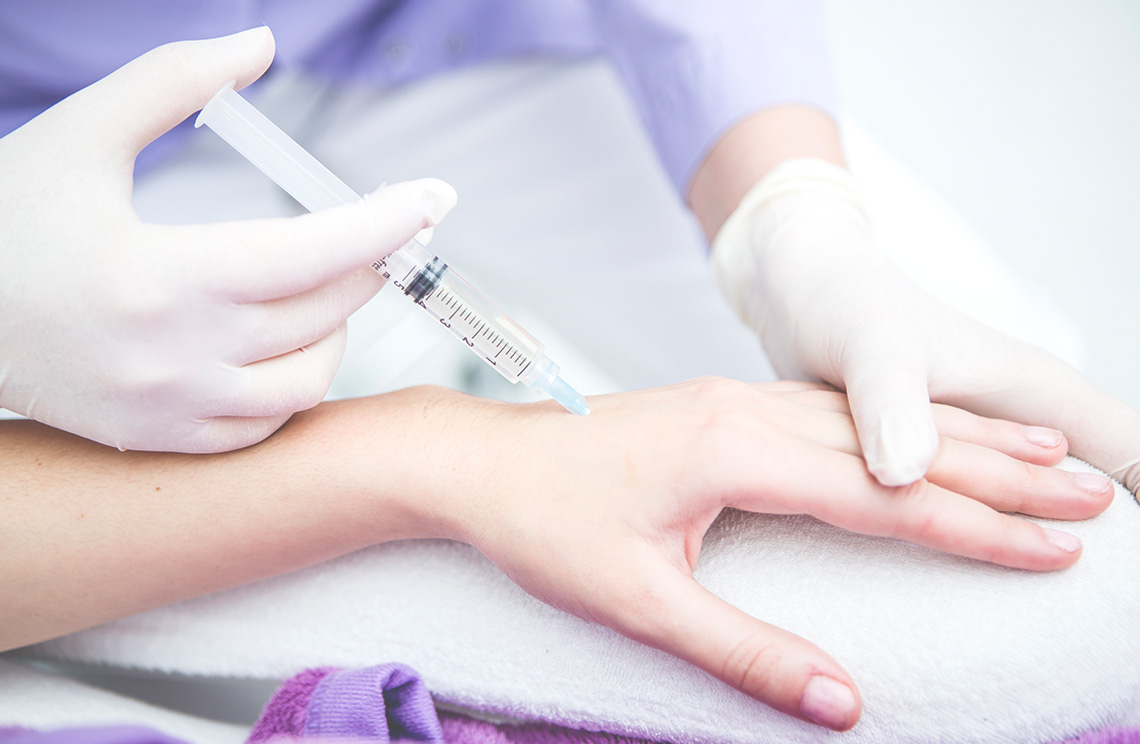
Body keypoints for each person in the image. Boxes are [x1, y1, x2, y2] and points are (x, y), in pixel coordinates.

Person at [0, 1, 1137, 733]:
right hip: (64, 148)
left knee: (998, 431)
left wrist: (794, 219)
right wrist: (447, 454)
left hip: (463, 28)